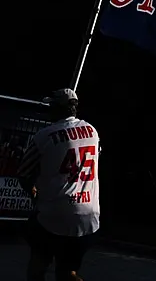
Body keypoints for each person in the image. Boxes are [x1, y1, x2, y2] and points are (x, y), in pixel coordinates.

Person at [18, 88, 100, 281]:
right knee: (67, 272)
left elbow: (23, 172)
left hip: (55, 213)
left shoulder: (44, 136)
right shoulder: (92, 131)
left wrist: (34, 194)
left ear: (57, 108)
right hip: (89, 217)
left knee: (38, 265)